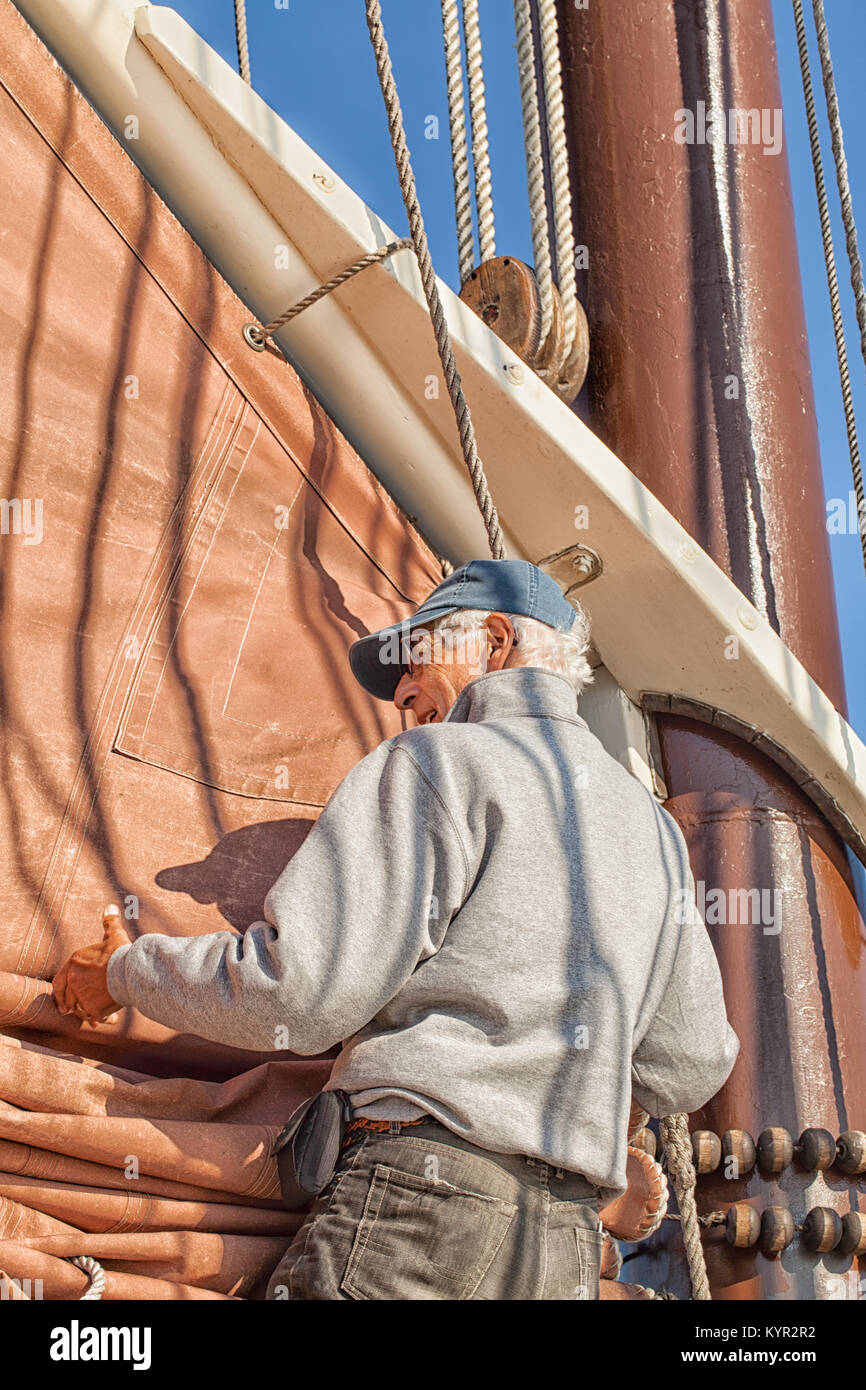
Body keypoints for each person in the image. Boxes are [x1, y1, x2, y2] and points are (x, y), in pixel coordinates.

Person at [53, 558, 739, 1300]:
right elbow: (692, 1062)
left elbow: (299, 995)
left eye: (417, 662)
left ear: (497, 641)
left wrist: (123, 973)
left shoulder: (437, 763)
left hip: (418, 1214)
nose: (404, 692)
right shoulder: (653, 831)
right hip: (564, 1252)